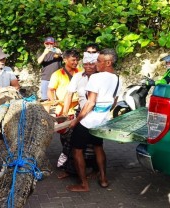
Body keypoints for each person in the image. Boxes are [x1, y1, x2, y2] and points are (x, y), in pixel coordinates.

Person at [66, 48, 122, 192]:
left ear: (108, 62)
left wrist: (76, 120)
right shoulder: (117, 79)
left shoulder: (96, 78)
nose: (96, 63)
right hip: (102, 121)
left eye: (99, 61)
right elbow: (114, 102)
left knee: (76, 150)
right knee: (98, 147)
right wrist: (103, 114)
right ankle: (103, 179)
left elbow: (90, 103)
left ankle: (84, 184)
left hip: (88, 121)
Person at [57, 52, 99, 179]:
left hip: (95, 116)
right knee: (70, 143)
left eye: (92, 63)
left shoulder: (100, 78)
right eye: (86, 64)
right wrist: (64, 113)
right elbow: (69, 94)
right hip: (81, 113)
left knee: (94, 146)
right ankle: (70, 170)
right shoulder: (78, 76)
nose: (89, 66)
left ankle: (96, 172)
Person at [47, 49, 81, 116]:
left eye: (77, 60)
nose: (76, 62)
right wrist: (53, 100)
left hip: (78, 108)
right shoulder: (57, 74)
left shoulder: (80, 73)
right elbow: (50, 90)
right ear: (65, 60)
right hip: (62, 110)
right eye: (73, 60)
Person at [37, 37, 62, 101]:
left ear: (54, 44)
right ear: (44, 44)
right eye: (47, 43)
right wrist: (45, 53)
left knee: (58, 99)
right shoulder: (41, 52)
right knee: (45, 99)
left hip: (57, 78)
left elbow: (64, 58)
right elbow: (39, 61)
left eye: (51, 43)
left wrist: (60, 53)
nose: (49, 45)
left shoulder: (57, 52)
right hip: (46, 78)